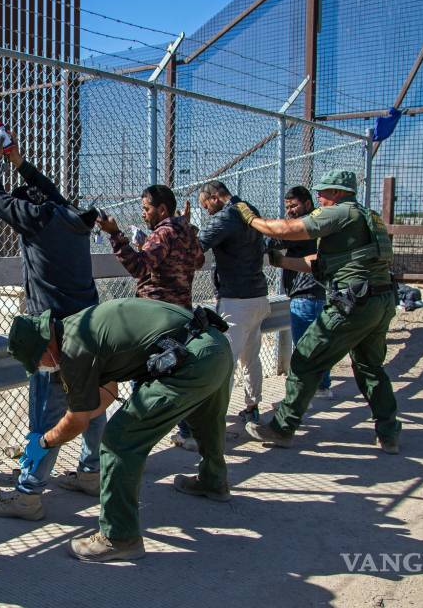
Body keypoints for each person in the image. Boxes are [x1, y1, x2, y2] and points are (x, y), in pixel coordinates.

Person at [6, 298, 234, 562]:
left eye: (37, 362)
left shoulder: (73, 351)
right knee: (207, 419)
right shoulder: (80, 325)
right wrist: (79, 417)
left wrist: (44, 442)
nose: (41, 369)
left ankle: (119, 538)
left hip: (190, 361)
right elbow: (108, 393)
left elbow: (77, 420)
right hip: (214, 346)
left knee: (118, 442)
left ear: (46, 346)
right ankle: (213, 481)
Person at [0, 130, 107, 519]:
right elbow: (50, 191)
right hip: (90, 326)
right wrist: (21, 164)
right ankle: (91, 473)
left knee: (44, 414)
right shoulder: (71, 218)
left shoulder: (36, 220)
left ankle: (28, 494)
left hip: (54, 333)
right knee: (93, 403)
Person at [236, 169, 402, 453]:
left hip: (352, 304)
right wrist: (280, 261)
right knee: (370, 367)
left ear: (337, 193)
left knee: (304, 359)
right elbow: (322, 262)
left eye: (323, 192)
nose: (319, 197)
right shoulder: (366, 217)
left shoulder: (339, 212)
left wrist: (252, 220)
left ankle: (282, 428)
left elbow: (288, 229)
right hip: (381, 300)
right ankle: (388, 433)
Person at [96, 184, 205, 451]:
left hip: (155, 318)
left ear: (162, 209)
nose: (143, 214)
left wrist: (115, 235)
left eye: (146, 208)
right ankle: (189, 433)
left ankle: (134, 435)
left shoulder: (163, 232)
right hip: (181, 315)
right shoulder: (186, 232)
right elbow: (198, 261)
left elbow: (139, 267)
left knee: (142, 373)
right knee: (175, 375)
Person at [196, 181, 270, 425]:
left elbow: (197, 246)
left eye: (206, 205)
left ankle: (215, 419)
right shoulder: (250, 210)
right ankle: (252, 407)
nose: (206, 211)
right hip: (258, 295)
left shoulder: (227, 216)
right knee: (251, 358)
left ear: (216, 197)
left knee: (225, 361)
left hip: (236, 301)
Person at [268, 186, 333, 398]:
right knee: (319, 342)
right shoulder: (319, 221)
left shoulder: (303, 226)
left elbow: (276, 239)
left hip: (305, 293)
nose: (290, 211)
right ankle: (323, 386)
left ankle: (302, 395)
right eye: (287, 207)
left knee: (304, 348)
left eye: (294, 205)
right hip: (319, 292)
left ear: (307, 203)